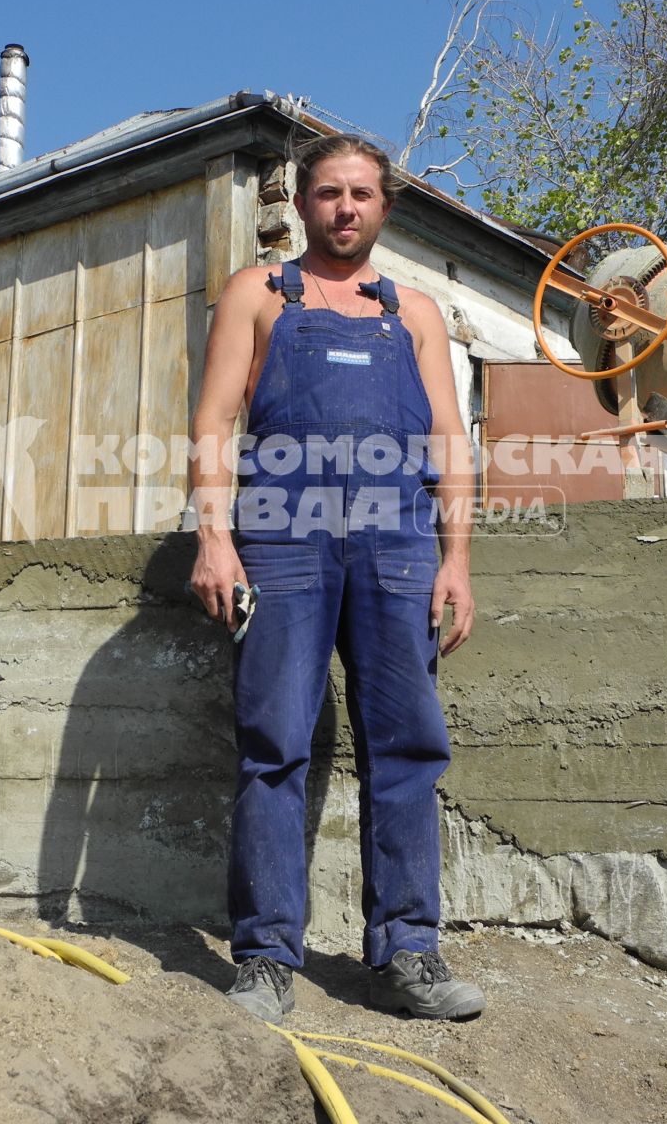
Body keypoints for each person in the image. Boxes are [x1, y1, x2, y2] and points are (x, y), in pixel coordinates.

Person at [187, 133, 484, 1022]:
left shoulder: (415, 313)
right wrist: (214, 540)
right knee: (274, 743)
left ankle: (408, 952)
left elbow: (449, 446)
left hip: (397, 544)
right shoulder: (259, 293)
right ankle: (266, 957)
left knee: (405, 746)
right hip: (281, 538)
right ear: (301, 204)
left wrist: (457, 558)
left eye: (361, 193)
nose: (344, 208)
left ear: (384, 207)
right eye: (327, 193)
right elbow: (211, 423)